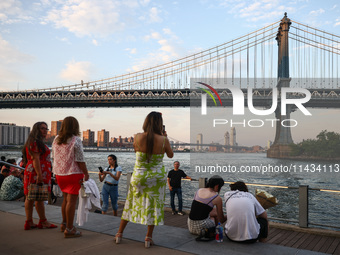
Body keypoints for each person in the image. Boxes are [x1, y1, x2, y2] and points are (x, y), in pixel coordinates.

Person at [115, 111, 173, 248]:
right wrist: (165, 138)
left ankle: (119, 234)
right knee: (153, 207)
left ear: (146, 122)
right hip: (157, 178)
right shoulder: (163, 140)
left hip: (139, 176)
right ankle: (148, 238)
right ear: (160, 124)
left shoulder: (137, 137)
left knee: (130, 203)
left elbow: (137, 152)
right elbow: (170, 155)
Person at [52, 116, 89, 238]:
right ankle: (70, 229)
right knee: (71, 202)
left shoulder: (56, 139)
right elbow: (80, 159)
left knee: (66, 200)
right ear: (75, 126)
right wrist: (86, 173)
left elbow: (54, 157)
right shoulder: (76, 140)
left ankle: (63, 224)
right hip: (73, 173)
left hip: (60, 173)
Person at [22, 121, 57, 230]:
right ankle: (43, 221)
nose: (45, 130)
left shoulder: (33, 142)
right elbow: (35, 159)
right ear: (36, 129)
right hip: (37, 172)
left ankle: (29, 222)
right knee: (39, 198)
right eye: (42, 128)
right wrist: (40, 176)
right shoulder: (36, 142)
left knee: (31, 197)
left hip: (33, 172)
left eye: (46, 128)